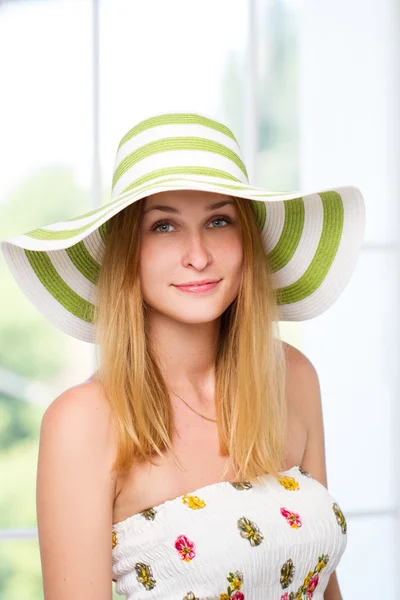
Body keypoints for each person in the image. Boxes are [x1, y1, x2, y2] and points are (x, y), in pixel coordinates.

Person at [0, 111, 366, 599]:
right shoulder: (83, 422)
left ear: (247, 242)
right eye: (164, 227)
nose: (197, 254)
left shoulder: (292, 377)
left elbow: (324, 585)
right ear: (128, 252)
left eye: (219, 220)